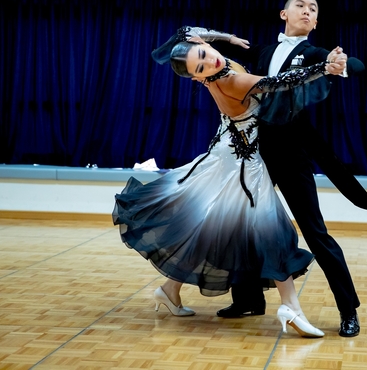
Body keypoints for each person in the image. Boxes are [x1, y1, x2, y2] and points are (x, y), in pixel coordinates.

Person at [113, 25, 348, 338]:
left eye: (203, 53)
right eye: (200, 66)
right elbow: (280, 82)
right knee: (272, 231)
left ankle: (170, 289)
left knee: (211, 227)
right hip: (243, 164)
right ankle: (290, 306)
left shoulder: (217, 64)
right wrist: (324, 68)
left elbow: (186, 30)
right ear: (198, 78)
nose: (209, 60)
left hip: (228, 152)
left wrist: (226, 39)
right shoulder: (231, 80)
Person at [214, 0, 367, 337]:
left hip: (292, 153)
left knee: (315, 232)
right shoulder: (263, 52)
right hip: (257, 151)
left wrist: (340, 64)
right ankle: (248, 299)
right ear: (284, 14)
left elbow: (355, 66)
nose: (307, 11)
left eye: (313, 9)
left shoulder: (315, 54)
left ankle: (348, 310)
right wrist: (220, 38)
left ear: (316, 22)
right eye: (301, 6)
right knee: (243, 224)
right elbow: (213, 51)